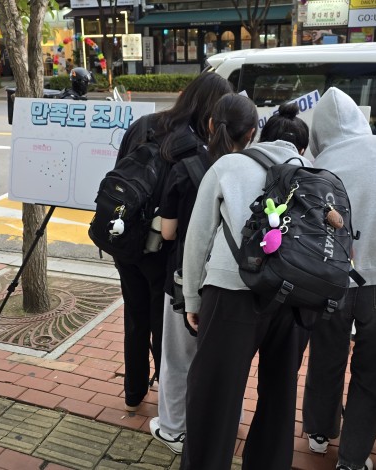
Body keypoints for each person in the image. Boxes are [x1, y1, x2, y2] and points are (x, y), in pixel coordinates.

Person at [150, 99, 309, 455]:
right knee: (279, 396)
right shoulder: (313, 170)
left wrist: (192, 299)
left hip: (232, 293)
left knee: (215, 395)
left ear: (257, 135)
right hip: (295, 297)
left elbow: (198, 238)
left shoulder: (228, 166)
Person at [300, 87, 376, 470]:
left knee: (326, 356)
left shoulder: (318, 162)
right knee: (374, 371)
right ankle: (352, 459)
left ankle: (319, 433)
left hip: (333, 276)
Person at [115, 72, 233, 415]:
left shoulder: (143, 125)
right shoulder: (195, 147)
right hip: (160, 249)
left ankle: (133, 392)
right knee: (161, 324)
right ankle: (167, 401)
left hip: (124, 239)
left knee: (134, 316)